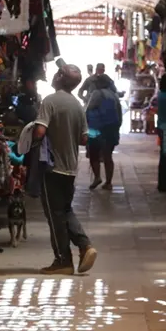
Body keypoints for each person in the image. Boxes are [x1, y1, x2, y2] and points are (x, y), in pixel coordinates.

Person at [34, 61, 98, 275]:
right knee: (64, 210)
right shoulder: (77, 105)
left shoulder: (49, 102)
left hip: (52, 167)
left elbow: (40, 132)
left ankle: (64, 259)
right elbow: (83, 138)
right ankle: (84, 246)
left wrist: (31, 134)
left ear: (60, 77)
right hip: (70, 168)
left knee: (54, 215)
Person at [86, 74, 123, 190]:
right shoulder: (114, 95)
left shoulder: (97, 94)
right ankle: (108, 182)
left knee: (94, 154)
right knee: (108, 155)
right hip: (111, 128)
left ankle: (97, 177)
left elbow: (88, 108)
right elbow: (119, 113)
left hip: (96, 129)